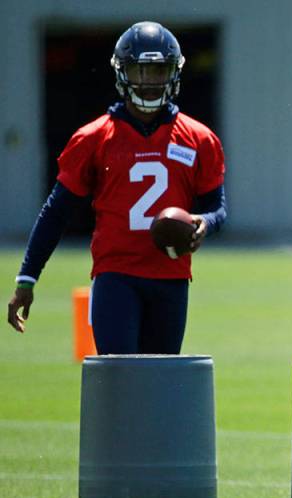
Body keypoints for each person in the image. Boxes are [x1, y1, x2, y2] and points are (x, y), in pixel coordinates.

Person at [6, 22, 226, 354]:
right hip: (116, 276)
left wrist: (204, 223)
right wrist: (27, 278)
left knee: (161, 379)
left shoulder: (199, 139)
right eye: (140, 70)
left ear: (174, 73)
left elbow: (217, 208)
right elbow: (56, 212)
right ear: (122, 72)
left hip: (171, 276)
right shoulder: (94, 138)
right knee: (119, 375)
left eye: (159, 71)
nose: (149, 82)